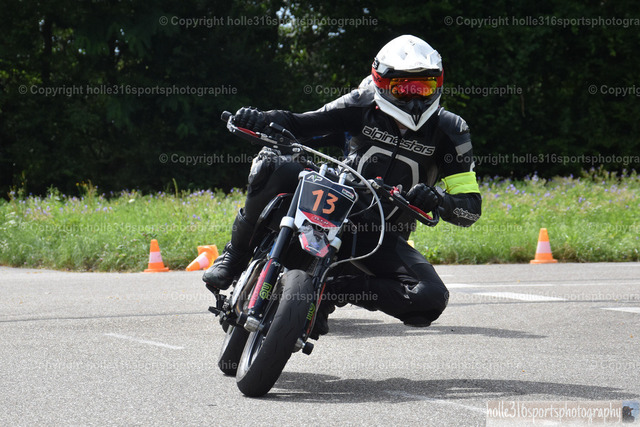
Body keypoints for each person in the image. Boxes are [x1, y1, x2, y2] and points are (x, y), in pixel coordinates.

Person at [204, 34, 482, 336]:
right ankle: (235, 255)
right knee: (273, 164)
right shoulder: (360, 102)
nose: (414, 100)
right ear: (381, 83)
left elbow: (470, 208)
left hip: (379, 235)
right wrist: (260, 118)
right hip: (335, 202)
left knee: (432, 296)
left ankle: (331, 291)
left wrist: (439, 201)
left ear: (437, 85)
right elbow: (299, 123)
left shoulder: (451, 129)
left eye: (423, 88)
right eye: (403, 89)